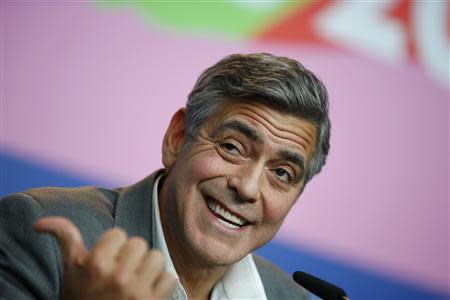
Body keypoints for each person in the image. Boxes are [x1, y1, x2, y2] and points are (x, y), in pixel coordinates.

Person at [0, 53, 330, 300]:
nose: (247, 187)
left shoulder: (287, 297)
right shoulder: (40, 234)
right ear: (177, 138)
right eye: (232, 147)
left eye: (282, 173)